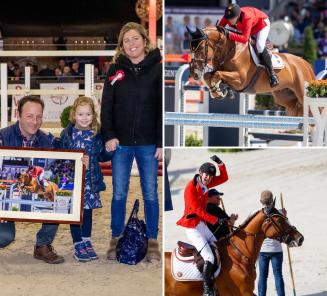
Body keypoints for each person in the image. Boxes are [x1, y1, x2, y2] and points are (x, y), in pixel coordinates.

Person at [100, 22, 162, 263]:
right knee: (119, 193)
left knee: (150, 194)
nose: (131, 44)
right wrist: (109, 135)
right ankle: (116, 238)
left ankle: (153, 241)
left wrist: (161, 142)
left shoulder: (157, 68)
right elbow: (106, 107)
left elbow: (160, 109)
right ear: (121, 46)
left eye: (135, 39)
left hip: (148, 143)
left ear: (144, 41)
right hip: (121, 144)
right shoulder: (115, 69)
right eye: (126, 41)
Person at [0, 95, 64, 264]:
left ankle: (43, 245)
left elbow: (58, 174)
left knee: (59, 198)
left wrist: (81, 162)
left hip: (34, 192)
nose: (34, 121)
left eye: (39, 116)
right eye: (29, 116)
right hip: (5, 198)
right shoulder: (2, 137)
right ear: (18, 115)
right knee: (4, 237)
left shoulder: (48, 142)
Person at [55, 96, 112, 262]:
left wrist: (109, 150)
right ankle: (77, 242)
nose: (84, 118)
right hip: (72, 182)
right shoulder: (67, 134)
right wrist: (74, 161)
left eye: (88, 114)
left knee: (87, 213)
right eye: (81, 114)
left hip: (90, 182)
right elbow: (61, 157)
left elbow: (101, 157)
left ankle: (86, 240)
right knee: (75, 214)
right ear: (74, 115)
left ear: (93, 115)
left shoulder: (97, 135)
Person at [177, 155, 228, 296]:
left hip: (201, 224)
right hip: (192, 227)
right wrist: (216, 220)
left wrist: (220, 164)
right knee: (209, 257)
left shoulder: (206, 184)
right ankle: (207, 290)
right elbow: (197, 211)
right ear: (200, 173)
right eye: (206, 175)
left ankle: (214, 279)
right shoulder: (190, 188)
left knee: (217, 245)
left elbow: (224, 178)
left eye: (211, 176)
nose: (208, 178)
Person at [217, 4, 279, 87]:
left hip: (261, 24)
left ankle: (272, 74)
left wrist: (229, 35)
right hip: (245, 27)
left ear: (238, 15)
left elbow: (244, 39)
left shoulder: (247, 17)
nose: (230, 21)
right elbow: (219, 29)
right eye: (228, 19)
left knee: (259, 46)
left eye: (232, 19)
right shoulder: (228, 16)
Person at [258, 190, 286, 296]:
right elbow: (287, 228)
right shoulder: (280, 213)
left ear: (261, 201)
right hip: (276, 250)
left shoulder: (257, 214)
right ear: (272, 201)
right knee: (278, 275)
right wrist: (284, 214)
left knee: (262, 276)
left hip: (262, 250)